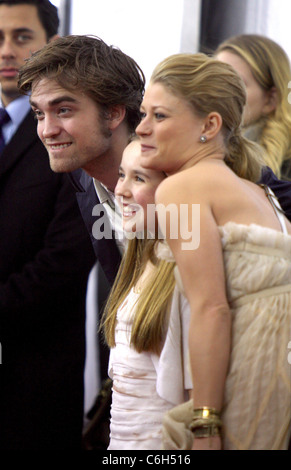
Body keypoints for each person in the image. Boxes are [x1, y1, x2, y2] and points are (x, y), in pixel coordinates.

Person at [136, 52, 291, 450]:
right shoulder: (260, 193)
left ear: (210, 124)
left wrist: (205, 423)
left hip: (252, 381)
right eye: (143, 114)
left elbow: (211, 308)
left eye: (159, 116)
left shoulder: (181, 188)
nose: (141, 129)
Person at [17, 33, 145, 449]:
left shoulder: (175, 178)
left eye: (64, 110)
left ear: (113, 113)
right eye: (39, 113)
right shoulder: (84, 184)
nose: (46, 130)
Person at [0, 1, 95, 450]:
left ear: (51, 46)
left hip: (34, 381)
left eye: (21, 37)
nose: (6, 52)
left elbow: (65, 262)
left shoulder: (71, 139)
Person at [102, 138, 192, 450]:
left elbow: (196, 402)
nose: (120, 190)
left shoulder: (186, 277)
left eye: (139, 178)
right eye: (121, 174)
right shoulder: (141, 260)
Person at [215, 34, 291, 181]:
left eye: (236, 84)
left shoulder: (284, 167)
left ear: (271, 99)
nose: (218, 92)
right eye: (215, 80)